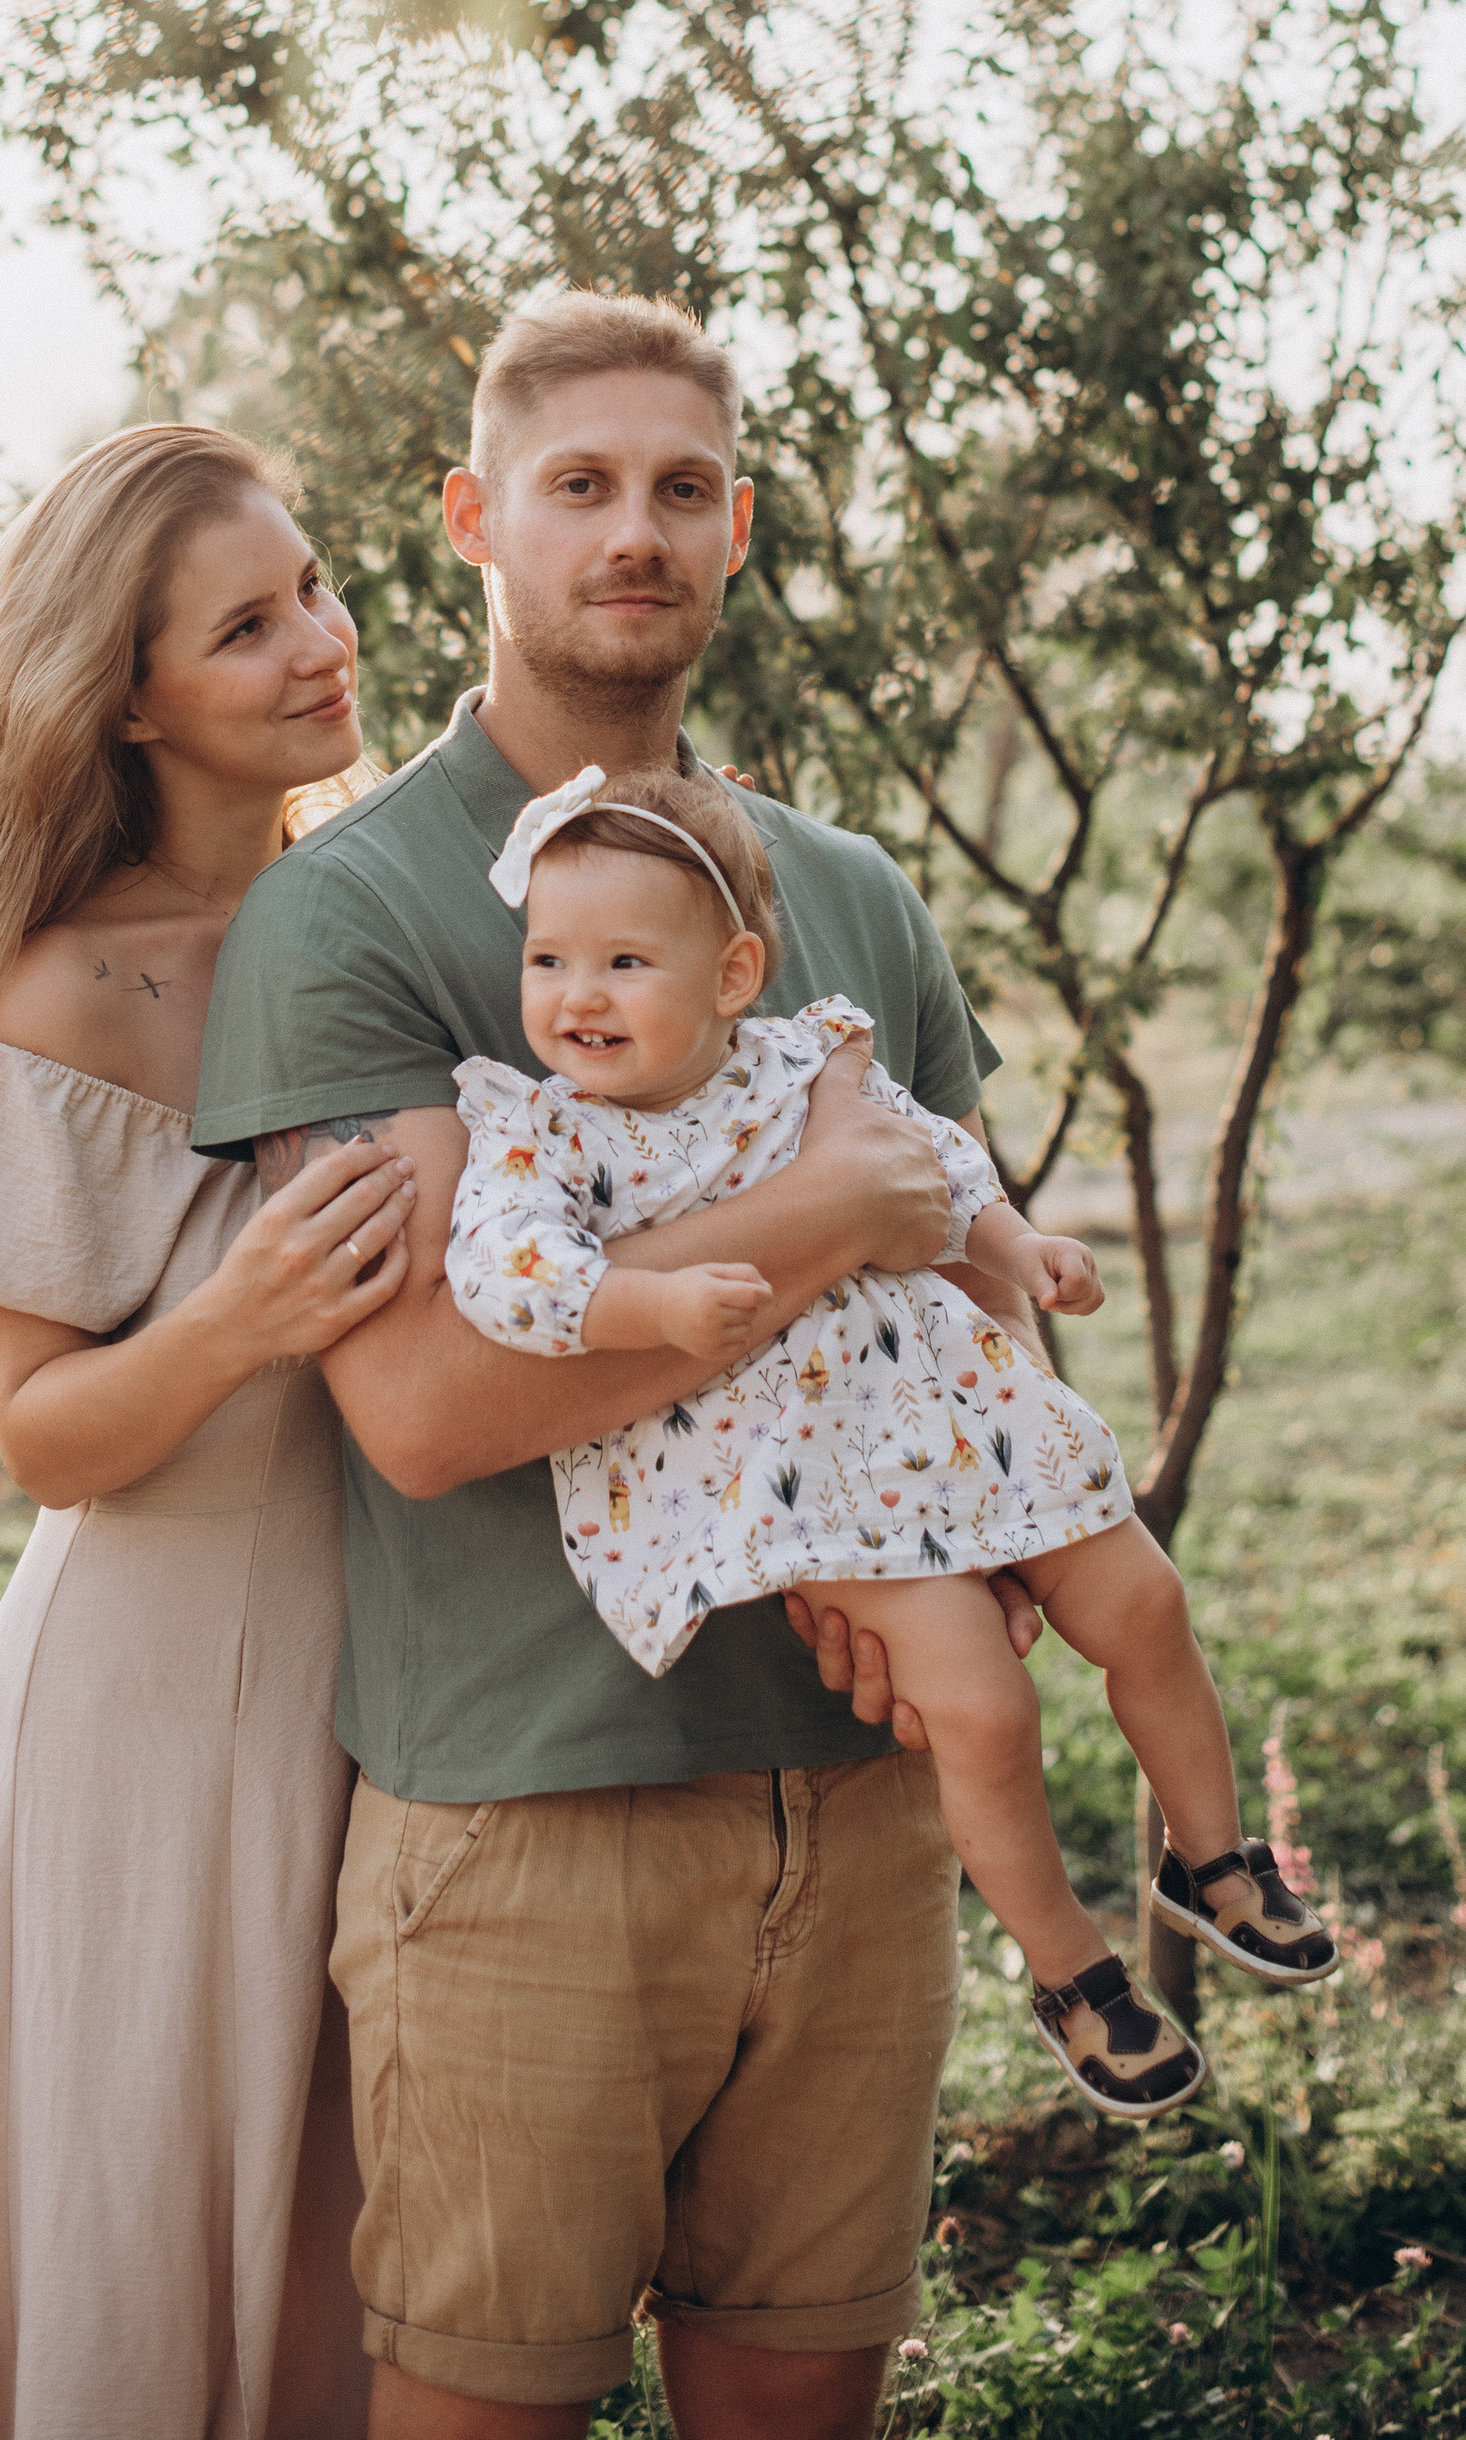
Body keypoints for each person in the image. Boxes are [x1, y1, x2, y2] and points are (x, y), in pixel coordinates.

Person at [192, 292, 1124, 2438]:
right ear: (469, 521)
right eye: (580, 486)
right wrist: (812, 1216)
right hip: (531, 1813)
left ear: (738, 530)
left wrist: (956, 1563)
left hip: (871, 1789)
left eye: (682, 490)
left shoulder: (851, 894)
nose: (637, 532)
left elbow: (964, 1289)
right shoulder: (353, 915)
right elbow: (426, 1411)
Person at [445, 758, 1338, 2124]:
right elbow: (503, 1275)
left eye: (626, 959)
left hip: (952, 1402)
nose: (577, 994)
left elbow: (943, 1172)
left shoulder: (813, 1061)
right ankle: (1074, 1972)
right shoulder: (546, 1139)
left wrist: (1021, 1245)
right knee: (981, 1703)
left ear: (735, 972)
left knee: (1142, 1599)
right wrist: (648, 1299)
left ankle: (1210, 1856)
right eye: (550, 956)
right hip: (798, 1467)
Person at [0, 424, 418, 2440]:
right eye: (247, 624)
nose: (320, 644)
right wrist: (240, 1317)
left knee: (339, 2250)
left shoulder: (382, 925)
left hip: (394, 1679)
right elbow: (43, 1435)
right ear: (122, 691)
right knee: (144, 2233)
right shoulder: (53, 1000)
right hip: (153, 1707)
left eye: (318, 586)